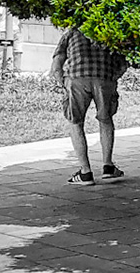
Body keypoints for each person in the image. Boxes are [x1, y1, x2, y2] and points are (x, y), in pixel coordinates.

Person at [50, 26, 129, 186]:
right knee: (106, 120)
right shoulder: (109, 30)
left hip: (77, 79)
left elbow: (57, 61)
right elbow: (123, 62)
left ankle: (85, 172)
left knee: (75, 122)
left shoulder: (71, 32)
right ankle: (108, 167)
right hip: (104, 78)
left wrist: (63, 81)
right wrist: (113, 77)